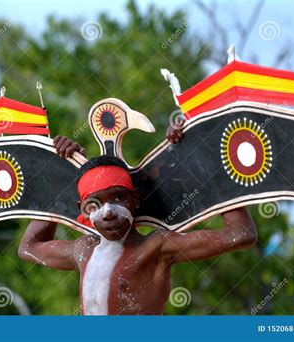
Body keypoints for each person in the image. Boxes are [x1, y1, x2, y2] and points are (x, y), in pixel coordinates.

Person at [18, 125, 257, 315]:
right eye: (96, 204)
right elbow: (29, 248)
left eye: (118, 198)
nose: (109, 211)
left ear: (135, 200)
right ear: (84, 209)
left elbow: (240, 234)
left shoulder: (156, 247)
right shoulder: (83, 249)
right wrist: (58, 175)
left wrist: (205, 161)